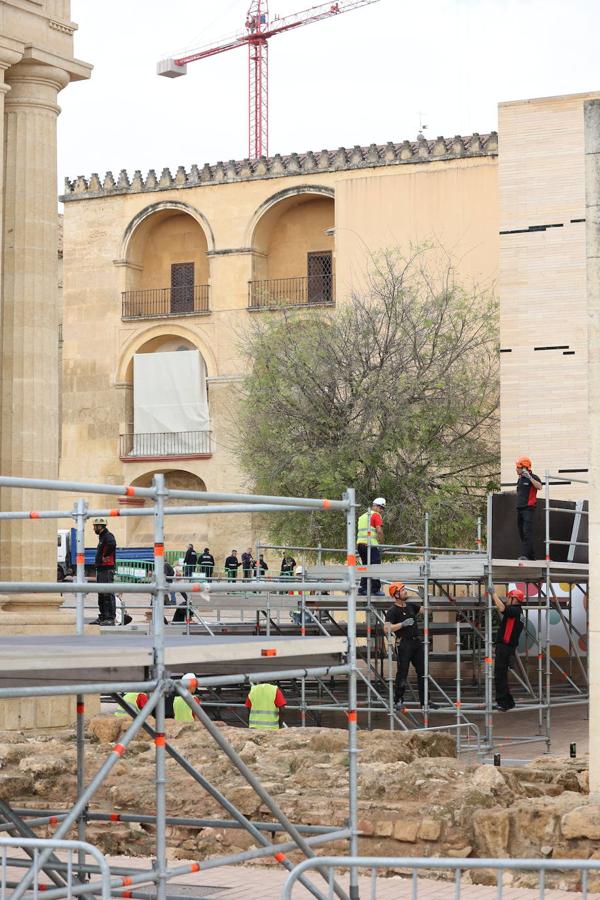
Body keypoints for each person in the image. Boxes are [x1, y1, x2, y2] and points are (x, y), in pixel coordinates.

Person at [385, 582, 435, 710]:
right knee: (402, 673)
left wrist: (425, 599)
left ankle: (425, 701)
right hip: (404, 643)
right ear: (396, 594)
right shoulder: (392, 611)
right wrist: (402, 624)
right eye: (402, 590)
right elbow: (387, 628)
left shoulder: (411, 606)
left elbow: (426, 612)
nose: (405, 592)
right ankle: (398, 700)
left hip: (416, 643)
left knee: (423, 672)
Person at [493, 586, 525, 711]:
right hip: (508, 647)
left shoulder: (515, 611)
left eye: (509, 597)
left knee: (499, 675)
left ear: (514, 599)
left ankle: (503, 702)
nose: (507, 599)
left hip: (505, 647)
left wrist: (493, 594)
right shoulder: (518, 612)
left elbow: (501, 608)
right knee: (502, 675)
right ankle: (509, 701)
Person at [515, 457, 543, 560]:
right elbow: (518, 492)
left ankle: (525, 555)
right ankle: (532, 556)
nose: (516, 469)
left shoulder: (533, 477)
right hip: (520, 509)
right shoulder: (520, 479)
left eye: (518, 467)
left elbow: (539, 487)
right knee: (521, 533)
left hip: (528, 509)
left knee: (527, 532)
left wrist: (530, 478)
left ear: (525, 468)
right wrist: (504, 493)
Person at [356, 498, 386, 596]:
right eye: (382, 508)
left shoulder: (363, 516)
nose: (382, 510)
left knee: (366, 566)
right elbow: (379, 530)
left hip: (360, 545)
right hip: (370, 545)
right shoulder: (376, 515)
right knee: (375, 566)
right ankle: (375, 589)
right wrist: (382, 544)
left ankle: (362, 588)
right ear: (376, 506)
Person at [91, 517, 117, 625]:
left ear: (100, 526)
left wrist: (104, 556)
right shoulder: (102, 537)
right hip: (102, 568)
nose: (94, 529)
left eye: (95, 527)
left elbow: (112, 544)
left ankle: (110, 618)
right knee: (101, 594)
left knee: (107, 593)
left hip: (106, 569)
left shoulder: (108, 536)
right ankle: (103, 617)